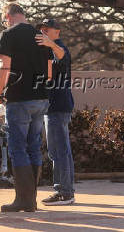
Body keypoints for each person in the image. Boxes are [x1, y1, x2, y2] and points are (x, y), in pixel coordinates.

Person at [0, 3, 52, 212]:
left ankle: (23, 200)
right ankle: (31, 200)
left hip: (19, 99)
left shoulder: (8, 34)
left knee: (17, 148)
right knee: (34, 147)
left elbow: (4, 67)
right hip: (41, 98)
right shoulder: (41, 36)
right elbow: (50, 70)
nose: (5, 23)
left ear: (8, 16)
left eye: (4, 20)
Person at [35, 18, 76, 205]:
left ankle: (64, 192)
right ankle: (67, 191)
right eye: (41, 29)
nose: (43, 32)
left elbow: (62, 56)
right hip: (54, 107)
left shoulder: (59, 47)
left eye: (46, 29)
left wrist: (50, 43)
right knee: (62, 150)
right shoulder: (48, 50)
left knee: (58, 150)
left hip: (57, 107)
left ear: (56, 32)